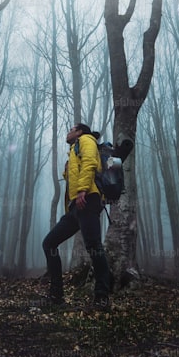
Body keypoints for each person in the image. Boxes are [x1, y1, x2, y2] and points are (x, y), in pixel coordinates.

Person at [41, 123, 112, 309]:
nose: (68, 132)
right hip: (75, 207)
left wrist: (82, 190)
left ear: (80, 132)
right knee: (49, 243)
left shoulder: (86, 140)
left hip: (87, 199)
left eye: (71, 129)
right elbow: (74, 173)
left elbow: (90, 163)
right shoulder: (74, 149)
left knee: (94, 246)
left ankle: (102, 297)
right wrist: (67, 169)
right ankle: (56, 297)